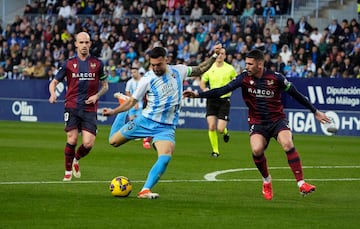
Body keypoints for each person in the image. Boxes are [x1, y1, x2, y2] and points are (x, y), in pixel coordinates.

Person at [183, 49, 331, 200]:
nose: (246, 66)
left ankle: (301, 183)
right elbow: (223, 90)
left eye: (249, 64)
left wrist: (315, 111)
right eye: (246, 63)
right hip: (257, 122)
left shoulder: (276, 78)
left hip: (277, 120)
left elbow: (296, 94)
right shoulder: (244, 78)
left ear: (259, 64)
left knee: (287, 143)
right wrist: (198, 95)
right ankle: (267, 180)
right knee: (257, 149)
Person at [102, 44, 221, 199]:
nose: (156, 68)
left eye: (159, 65)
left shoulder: (179, 70)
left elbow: (199, 69)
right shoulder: (147, 79)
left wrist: (213, 56)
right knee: (113, 142)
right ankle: (120, 106)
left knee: (166, 156)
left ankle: (145, 190)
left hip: (166, 127)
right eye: (152, 65)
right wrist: (114, 112)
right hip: (145, 121)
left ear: (166, 60)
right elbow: (132, 102)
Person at [49, 31, 109, 181]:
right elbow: (54, 82)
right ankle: (68, 171)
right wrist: (53, 94)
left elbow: (105, 86)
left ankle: (76, 159)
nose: (84, 45)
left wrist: (97, 95)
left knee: (88, 143)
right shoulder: (68, 64)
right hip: (72, 106)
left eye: (86, 42)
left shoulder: (97, 64)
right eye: (81, 42)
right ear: (76, 44)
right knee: (72, 139)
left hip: (90, 107)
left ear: (90, 44)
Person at [200, 48, 237, 157]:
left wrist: (230, 89)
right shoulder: (209, 68)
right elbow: (203, 82)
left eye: (222, 54)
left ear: (225, 56)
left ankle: (225, 132)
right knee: (211, 126)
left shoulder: (230, 68)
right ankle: (215, 151)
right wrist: (204, 90)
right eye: (218, 54)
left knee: (220, 129)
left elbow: (235, 81)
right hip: (212, 99)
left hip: (224, 99)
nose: (220, 55)